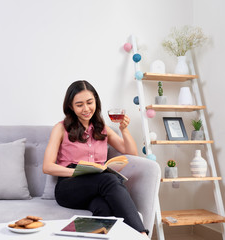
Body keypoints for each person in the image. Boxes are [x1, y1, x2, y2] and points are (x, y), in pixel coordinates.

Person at [42, 80, 149, 237]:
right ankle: (141, 235)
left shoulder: (102, 129)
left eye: (89, 102)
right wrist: (78, 173)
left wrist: (124, 130)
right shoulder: (61, 128)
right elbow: (47, 167)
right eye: (79, 105)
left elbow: (131, 153)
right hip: (68, 187)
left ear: (96, 102)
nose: (86, 109)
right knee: (109, 180)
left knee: (104, 208)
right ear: (71, 107)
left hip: (95, 186)